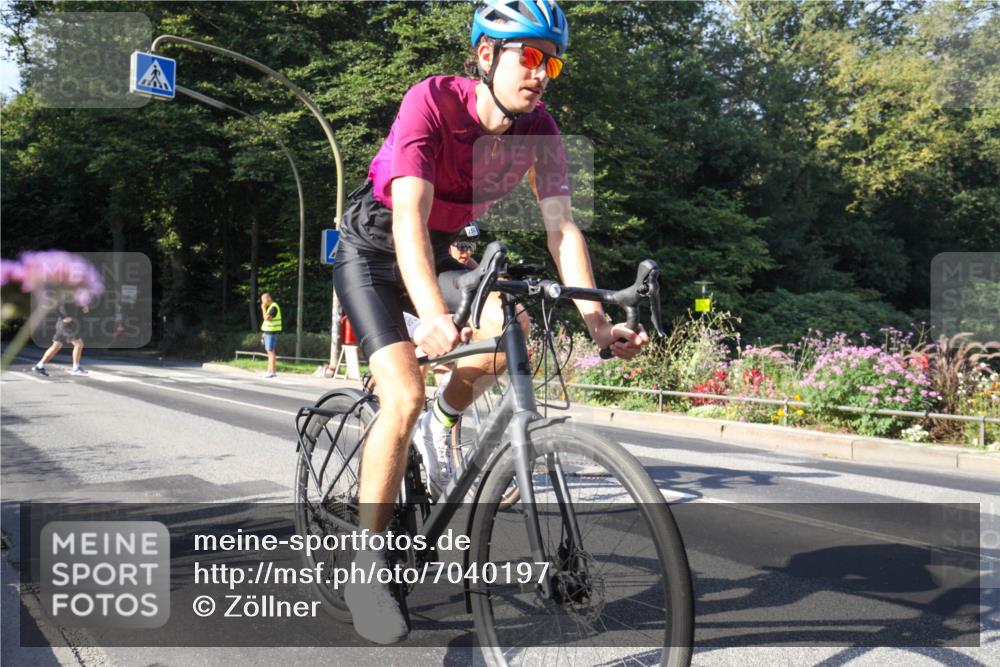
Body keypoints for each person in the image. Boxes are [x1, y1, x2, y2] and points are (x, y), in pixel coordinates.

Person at [332, 0, 648, 643]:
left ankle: (443, 423)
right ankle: (366, 567)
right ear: (485, 55)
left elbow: (562, 228)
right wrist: (430, 316)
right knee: (403, 395)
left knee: (513, 333)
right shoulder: (431, 102)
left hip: (440, 251)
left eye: (551, 62)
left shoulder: (541, 131)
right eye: (528, 56)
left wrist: (597, 324)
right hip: (372, 252)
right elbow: (407, 218)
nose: (541, 73)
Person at [33, 300, 88, 376]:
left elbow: (74, 306)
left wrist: (82, 306)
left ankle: (39, 366)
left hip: (65, 324)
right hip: (65, 325)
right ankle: (76, 368)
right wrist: (63, 317)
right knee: (79, 344)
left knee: (56, 346)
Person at [259, 293, 282, 378]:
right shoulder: (271, 307)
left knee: (271, 352)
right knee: (270, 352)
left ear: (269, 298)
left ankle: (272, 372)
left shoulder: (274, 307)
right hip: (268, 332)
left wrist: (263, 308)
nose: (262, 301)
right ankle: (270, 371)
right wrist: (264, 333)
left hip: (271, 333)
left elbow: (266, 318)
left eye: (263, 299)